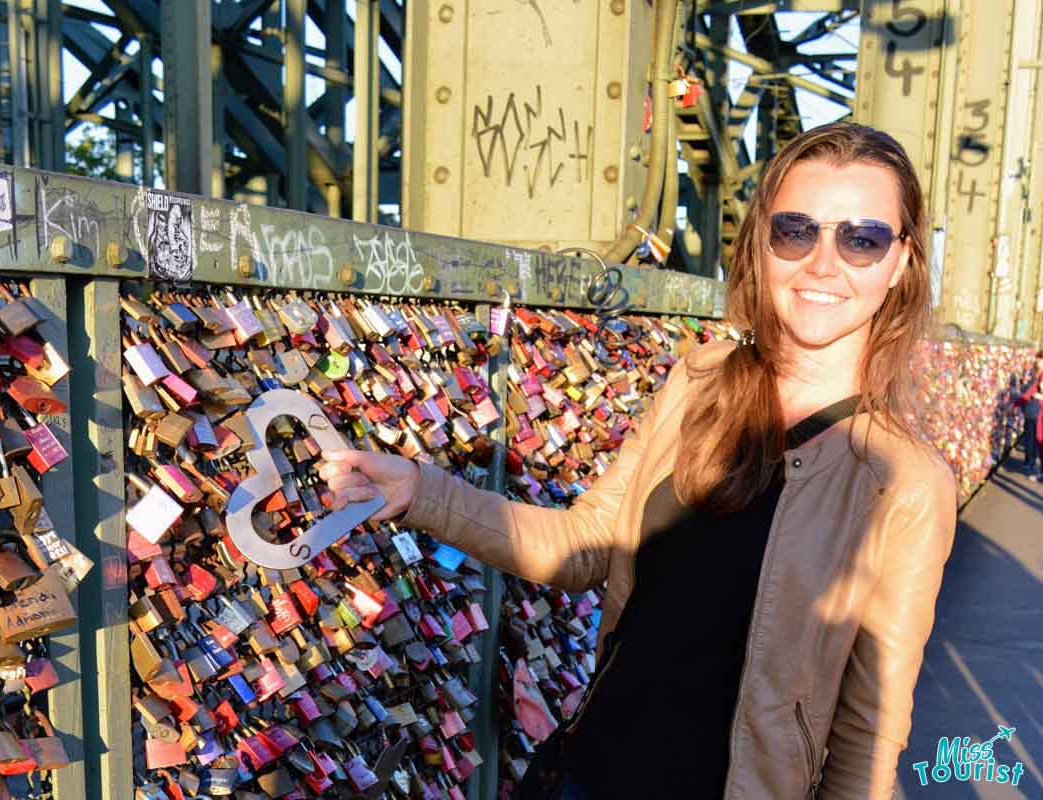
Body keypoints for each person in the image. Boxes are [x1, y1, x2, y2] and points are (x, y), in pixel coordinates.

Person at [318, 122, 957, 798]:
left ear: (901, 263)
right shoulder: (701, 384)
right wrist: (418, 491)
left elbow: (867, 739)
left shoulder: (903, 483)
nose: (823, 264)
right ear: (762, 244)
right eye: (796, 230)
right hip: (591, 774)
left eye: (862, 239)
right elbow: (588, 542)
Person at [1012, 353, 1043, 480]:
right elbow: (1030, 392)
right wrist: (1016, 404)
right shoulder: (1039, 376)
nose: (1037, 363)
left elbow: (1034, 393)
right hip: (1039, 414)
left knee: (1040, 441)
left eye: (1040, 361)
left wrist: (1041, 397)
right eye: (1037, 361)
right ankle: (1041, 471)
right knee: (1039, 440)